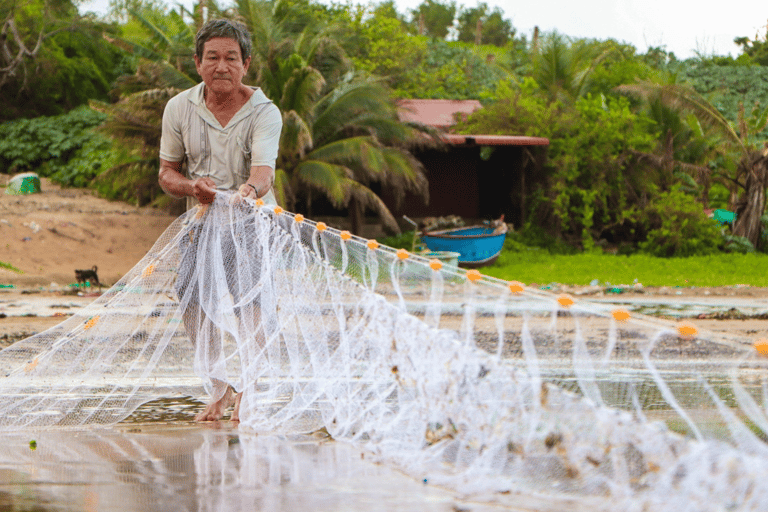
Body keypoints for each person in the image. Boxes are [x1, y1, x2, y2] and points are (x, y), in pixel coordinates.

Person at [158, 19, 282, 422]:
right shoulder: (179, 107)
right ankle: (218, 386)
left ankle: (250, 388)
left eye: (231, 57)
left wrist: (246, 192)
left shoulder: (265, 112)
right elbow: (167, 174)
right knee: (192, 301)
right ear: (198, 63)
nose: (222, 66)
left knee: (251, 303)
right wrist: (193, 187)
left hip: (251, 220)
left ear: (246, 64)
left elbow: (264, 172)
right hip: (199, 220)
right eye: (212, 57)